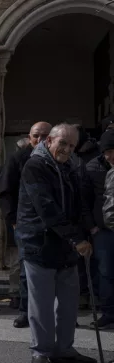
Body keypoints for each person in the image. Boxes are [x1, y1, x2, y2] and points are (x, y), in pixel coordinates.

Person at [17, 123, 96, 363]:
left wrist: (86, 231)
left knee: (69, 303)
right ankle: (41, 350)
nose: (67, 149)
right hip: (39, 244)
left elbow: (79, 204)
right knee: (41, 305)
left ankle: (64, 349)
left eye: (72, 145)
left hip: (66, 246)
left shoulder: (72, 167)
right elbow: (47, 208)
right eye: (63, 143)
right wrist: (76, 239)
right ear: (49, 140)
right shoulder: (35, 166)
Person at [0, 121, 52, 328]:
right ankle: (25, 311)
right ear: (29, 138)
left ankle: (52, 313)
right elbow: (3, 191)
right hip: (25, 226)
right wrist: (13, 220)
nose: (40, 140)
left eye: (45, 136)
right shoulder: (17, 159)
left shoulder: (60, 160)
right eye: (36, 136)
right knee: (25, 271)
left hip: (53, 226)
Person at [86, 129, 114, 329]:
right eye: (107, 151)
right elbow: (84, 201)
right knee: (105, 273)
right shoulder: (92, 168)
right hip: (103, 230)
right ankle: (108, 312)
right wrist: (92, 226)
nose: (110, 155)